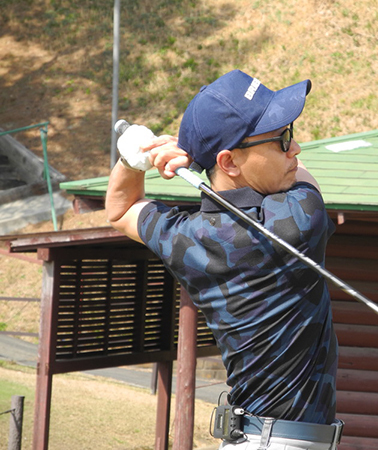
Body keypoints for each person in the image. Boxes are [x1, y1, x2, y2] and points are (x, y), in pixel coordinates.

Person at [105, 69, 342, 449]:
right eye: (282, 139)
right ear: (230, 162)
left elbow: (120, 210)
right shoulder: (298, 219)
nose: (294, 149)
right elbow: (303, 178)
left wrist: (134, 161)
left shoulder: (191, 235)